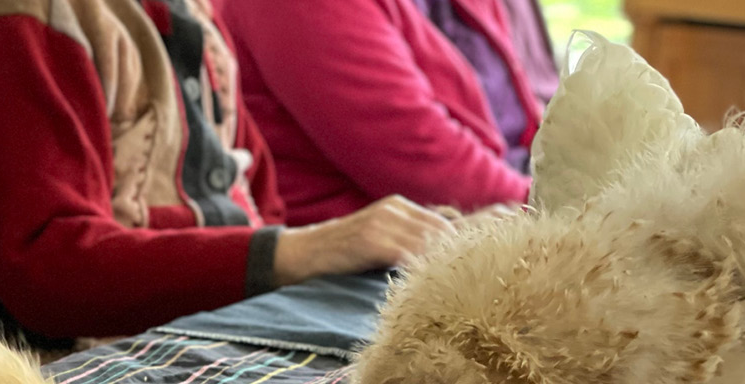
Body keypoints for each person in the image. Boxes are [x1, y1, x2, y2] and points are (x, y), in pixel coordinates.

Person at [0, 0, 458, 357]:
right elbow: (47, 276)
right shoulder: (9, 17)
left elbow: (257, 198)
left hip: (218, 331)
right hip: (73, 367)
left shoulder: (195, 15)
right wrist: (305, 250)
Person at [216, 0, 543, 226]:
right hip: (363, 255)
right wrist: (557, 203)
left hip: (483, 210)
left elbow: (518, 116)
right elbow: (421, 159)